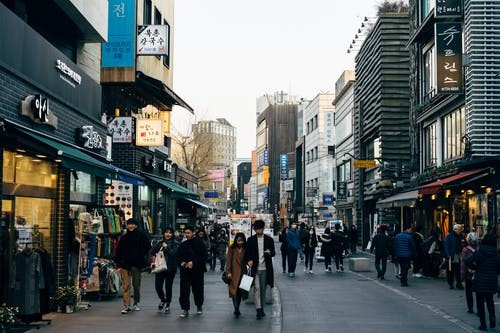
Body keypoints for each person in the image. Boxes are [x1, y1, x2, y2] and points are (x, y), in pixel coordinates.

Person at [115, 218, 151, 314]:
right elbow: (118, 252)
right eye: (129, 224)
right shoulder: (124, 238)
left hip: (137, 264)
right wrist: (118, 265)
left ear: (136, 225)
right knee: (126, 285)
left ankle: (135, 303)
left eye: (132, 224)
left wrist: (146, 260)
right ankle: (126, 305)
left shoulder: (142, 236)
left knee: (136, 285)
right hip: (125, 265)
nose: (130, 226)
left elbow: (148, 248)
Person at [465, 233, 500, 331]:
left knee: (480, 303)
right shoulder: (496, 253)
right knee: (490, 300)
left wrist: (475, 267)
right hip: (491, 280)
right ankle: (492, 318)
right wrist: (495, 272)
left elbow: (468, 261)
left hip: (480, 279)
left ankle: (483, 324)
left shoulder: (480, 251)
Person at [245, 219, 275, 320]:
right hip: (255, 269)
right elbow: (247, 254)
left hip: (266, 268)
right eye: (256, 229)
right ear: (254, 229)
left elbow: (273, 253)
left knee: (263, 288)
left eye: (260, 229)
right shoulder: (250, 240)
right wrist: (248, 260)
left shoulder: (269, 240)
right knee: (257, 288)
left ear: (263, 228)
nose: (258, 231)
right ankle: (258, 309)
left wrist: (269, 252)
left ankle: (261, 307)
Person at [177, 226, 208, 318]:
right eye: (185, 233)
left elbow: (204, 257)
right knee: (184, 290)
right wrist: (181, 262)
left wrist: (193, 262)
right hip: (185, 271)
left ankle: (199, 306)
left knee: (198, 289)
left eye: (188, 233)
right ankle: (185, 309)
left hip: (197, 271)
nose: (187, 235)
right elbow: (178, 256)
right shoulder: (183, 244)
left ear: (193, 233)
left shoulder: (200, 243)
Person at [149, 228, 178, 314]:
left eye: (170, 233)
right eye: (166, 232)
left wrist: (167, 247)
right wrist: (152, 260)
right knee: (158, 286)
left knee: (168, 287)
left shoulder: (175, 243)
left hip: (170, 268)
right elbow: (151, 252)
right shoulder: (159, 243)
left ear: (172, 234)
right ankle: (163, 299)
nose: (168, 234)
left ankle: (168, 304)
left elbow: (173, 254)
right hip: (160, 268)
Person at [225, 232, 247, 318]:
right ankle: (236, 308)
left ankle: (237, 307)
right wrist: (228, 272)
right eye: (238, 240)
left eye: (241, 240)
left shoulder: (246, 248)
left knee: (241, 292)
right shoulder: (232, 248)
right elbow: (228, 260)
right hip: (234, 273)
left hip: (244, 273)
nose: (240, 242)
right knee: (234, 291)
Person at [460, 232, 477, 314]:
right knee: (478, 292)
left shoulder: (465, 250)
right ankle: (479, 308)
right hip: (477, 274)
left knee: (468, 292)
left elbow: (463, 264)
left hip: (468, 274)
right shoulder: (479, 249)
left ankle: (470, 308)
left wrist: (462, 276)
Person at [444, 224, 464, 289]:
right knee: (450, 270)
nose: (460, 231)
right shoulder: (449, 236)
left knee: (458, 270)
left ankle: (458, 283)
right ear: (455, 230)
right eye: (459, 230)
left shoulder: (459, 236)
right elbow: (446, 246)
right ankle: (451, 283)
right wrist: (448, 255)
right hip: (451, 255)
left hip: (457, 255)